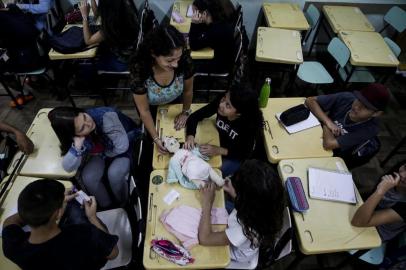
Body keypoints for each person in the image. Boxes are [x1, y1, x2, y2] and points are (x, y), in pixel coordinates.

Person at [2, 179, 119, 270]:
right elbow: (113, 253)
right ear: (57, 213)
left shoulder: (13, 246)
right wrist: (92, 217)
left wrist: (36, 209)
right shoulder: (85, 234)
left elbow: (9, 222)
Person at [48, 106, 140, 208]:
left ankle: (124, 202)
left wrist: (102, 155)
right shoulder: (77, 138)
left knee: (114, 174)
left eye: (84, 116)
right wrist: (76, 148)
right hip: (103, 151)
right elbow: (68, 168)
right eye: (82, 128)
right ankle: (106, 206)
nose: (89, 123)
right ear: (74, 135)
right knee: (88, 177)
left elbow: (122, 146)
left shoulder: (106, 117)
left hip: (125, 146)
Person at [198, 160, 285, 263]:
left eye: (238, 190)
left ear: (245, 201)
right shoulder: (267, 208)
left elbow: (205, 238)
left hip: (233, 254)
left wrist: (207, 203)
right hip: (244, 229)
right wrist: (232, 191)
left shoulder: (242, 231)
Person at [129, 25, 194, 153]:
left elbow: (188, 91)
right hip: (151, 108)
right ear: (153, 53)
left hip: (176, 102)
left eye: (178, 58)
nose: (176, 64)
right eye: (169, 60)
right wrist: (155, 138)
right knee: (156, 146)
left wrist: (185, 112)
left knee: (179, 137)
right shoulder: (140, 69)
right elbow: (144, 110)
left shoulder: (184, 62)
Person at [184, 84, 263, 176]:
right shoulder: (223, 102)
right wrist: (190, 136)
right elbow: (195, 116)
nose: (221, 104)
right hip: (220, 142)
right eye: (224, 98)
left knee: (207, 174)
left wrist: (219, 150)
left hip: (235, 155)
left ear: (239, 113)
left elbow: (245, 153)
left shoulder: (249, 125)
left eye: (228, 106)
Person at [305, 83, 390, 163]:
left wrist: (325, 124)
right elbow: (310, 100)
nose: (357, 106)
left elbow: (329, 144)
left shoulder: (371, 129)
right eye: (359, 100)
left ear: (376, 113)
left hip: (329, 153)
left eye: (366, 107)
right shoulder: (347, 97)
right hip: (316, 134)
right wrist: (328, 122)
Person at [352, 161, 406, 242]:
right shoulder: (395, 174)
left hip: (376, 232)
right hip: (366, 210)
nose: (402, 174)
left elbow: (358, 222)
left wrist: (380, 191)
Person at [78, 0, 138, 71]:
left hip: (123, 61)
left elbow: (88, 40)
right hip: (129, 52)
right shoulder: (124, 7)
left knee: (84, 66)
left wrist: (84, 16)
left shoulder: (113, 22)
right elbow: (97, 15)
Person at [189, 0, 235, 73]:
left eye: (194, 12)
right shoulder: (217, 19)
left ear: (204, 13)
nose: (192, 15)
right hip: (224, 58)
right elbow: (204, 30)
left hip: (220, 65)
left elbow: (193, 46)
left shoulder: (214, 31)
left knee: (189, 65)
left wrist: (194, 23)